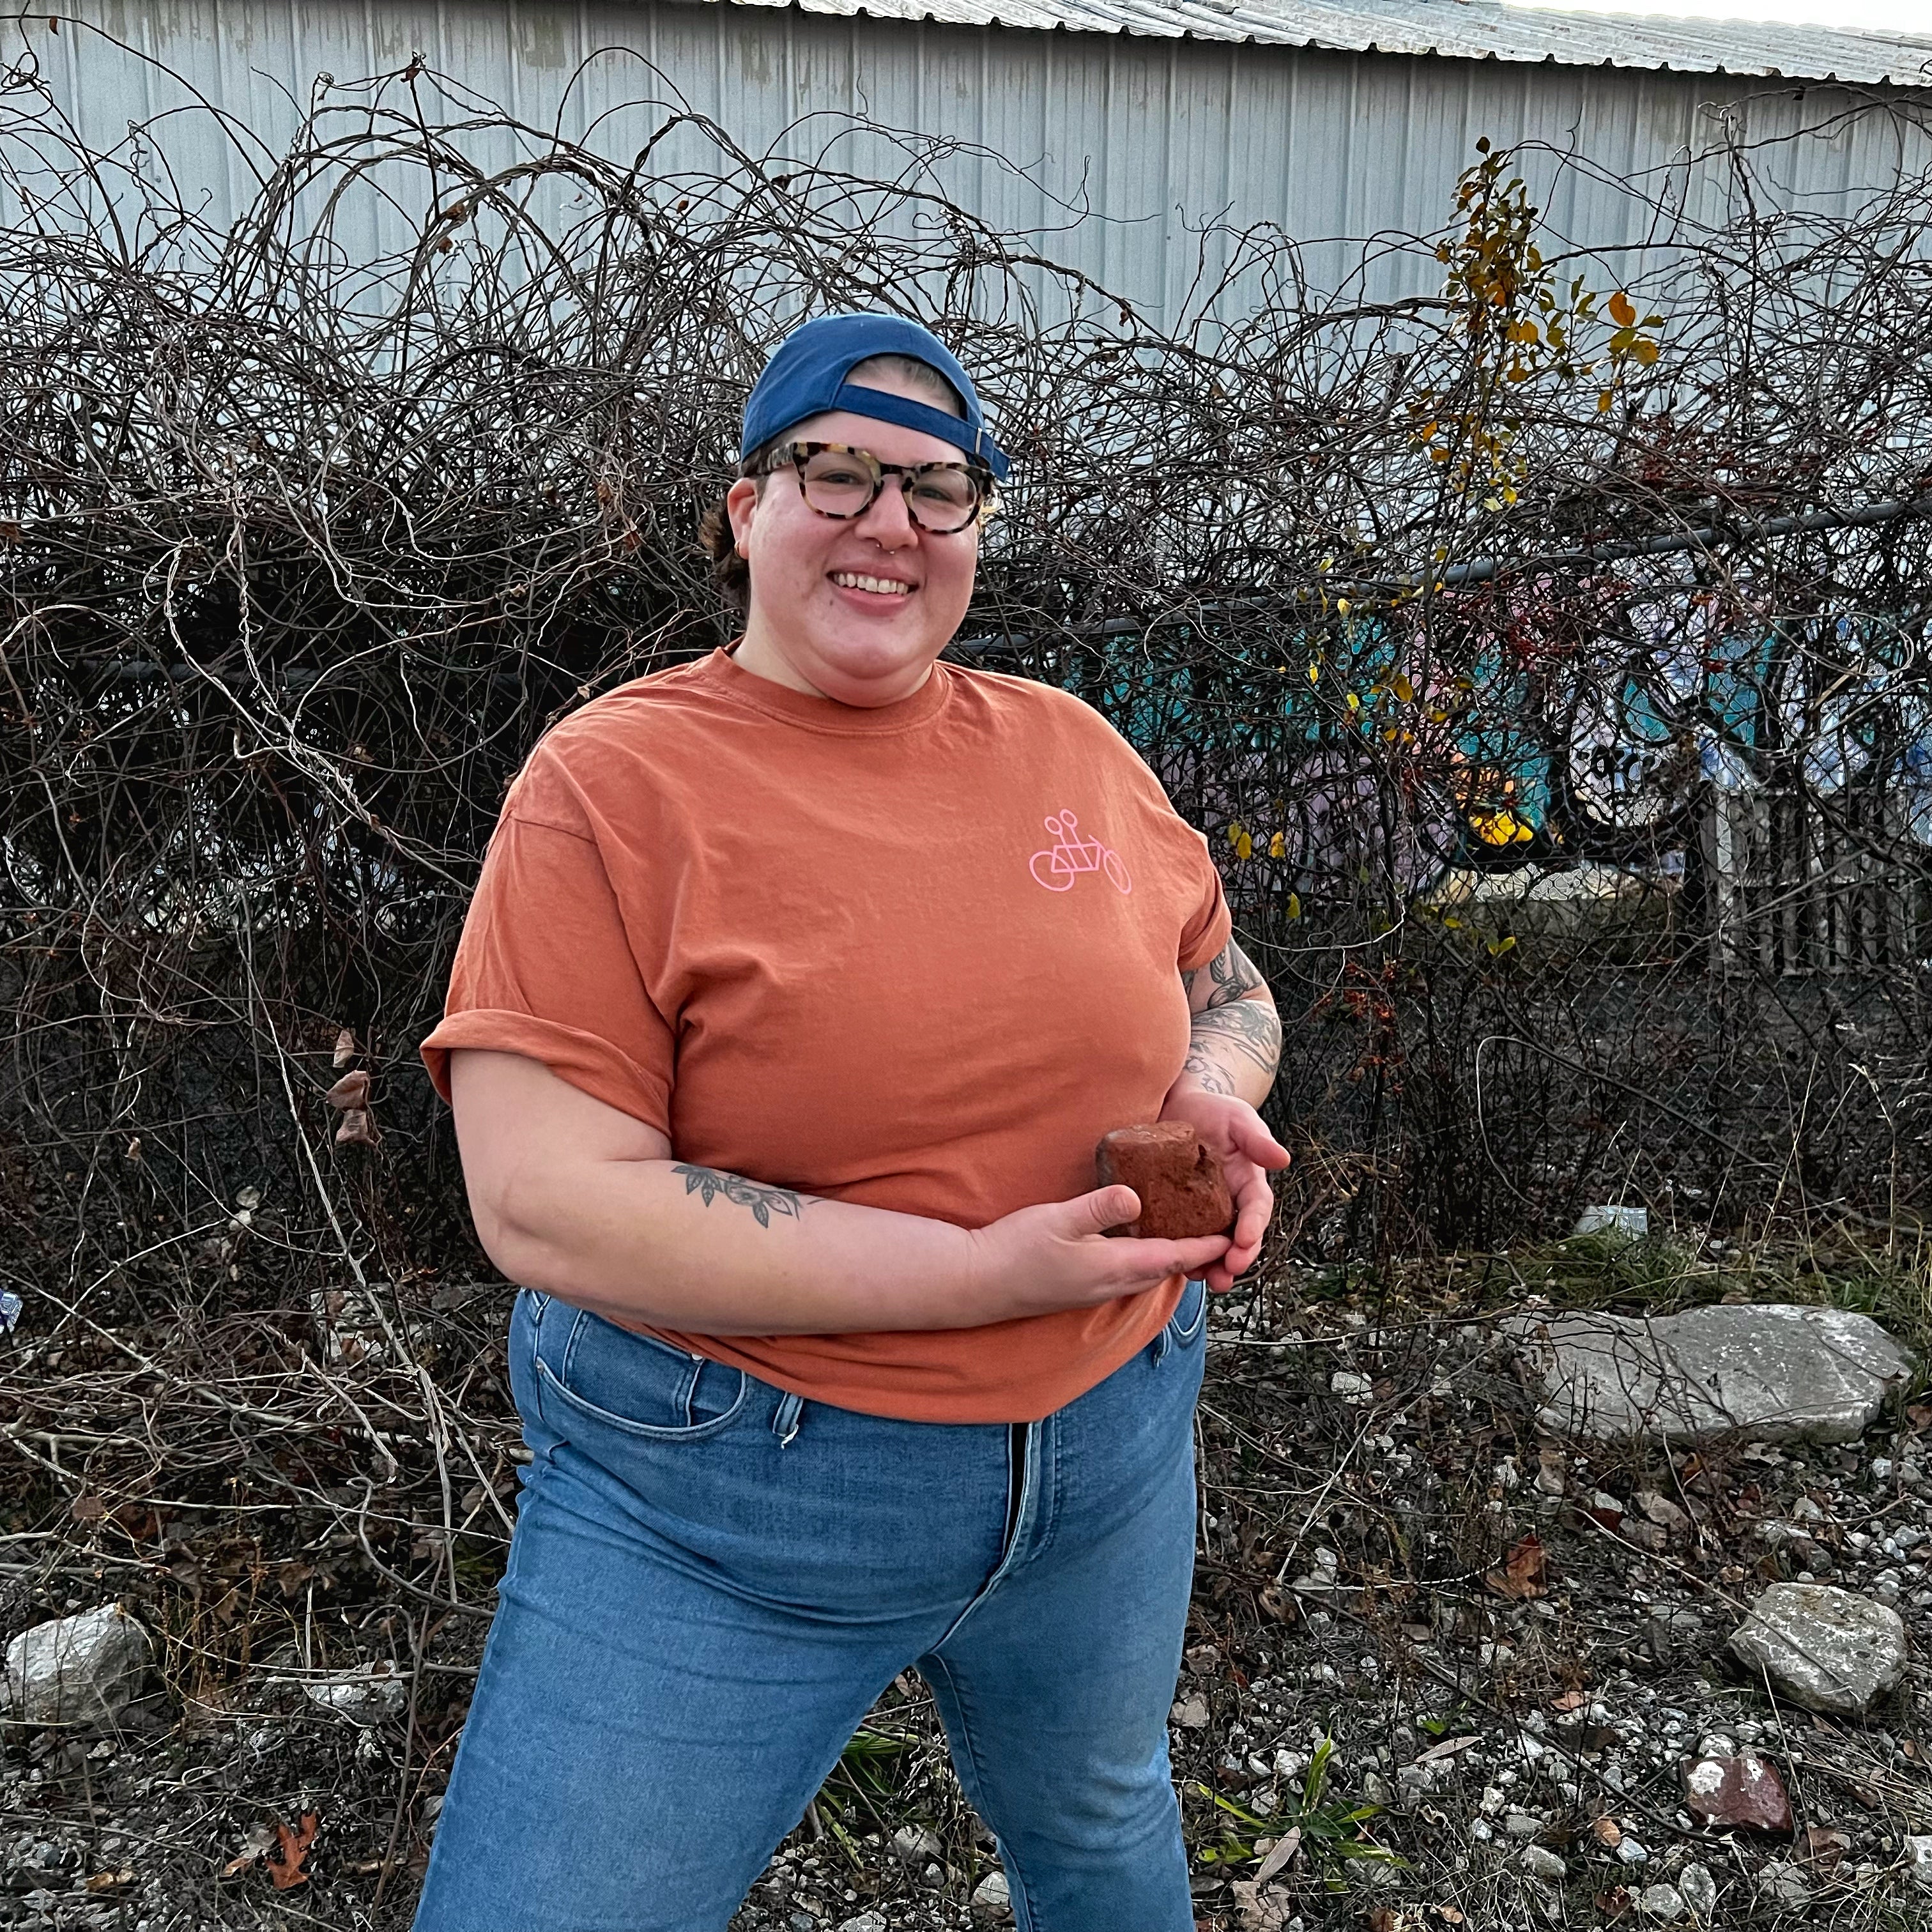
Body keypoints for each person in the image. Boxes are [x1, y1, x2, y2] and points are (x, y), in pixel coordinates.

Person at [411, 312, 1289, 1932]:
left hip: (1108, 1447)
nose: (890, 523)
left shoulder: (1069, 750)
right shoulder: (613, 786)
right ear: (745, 507)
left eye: (938, 488)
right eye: (837, 470)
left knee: (1103, 1833)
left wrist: (1207, 1097)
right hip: (730, 1495)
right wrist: (974, 1277)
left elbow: (1232, 991)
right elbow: (540, 1204)